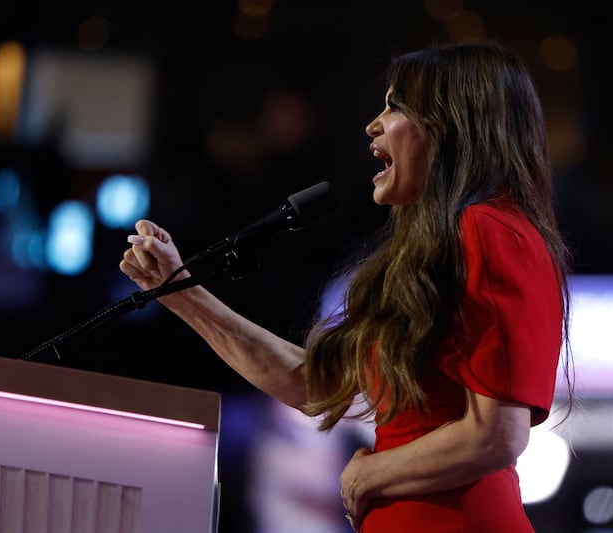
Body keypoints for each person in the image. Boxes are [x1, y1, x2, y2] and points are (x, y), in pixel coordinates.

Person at [120, 40, 573, 533]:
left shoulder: (490, 230)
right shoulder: (441, 247)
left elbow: (496, 435)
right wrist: (180, 290)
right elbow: (316, 384)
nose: (373, 124)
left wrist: (371, 471)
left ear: (449, 126)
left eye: (396, 106)